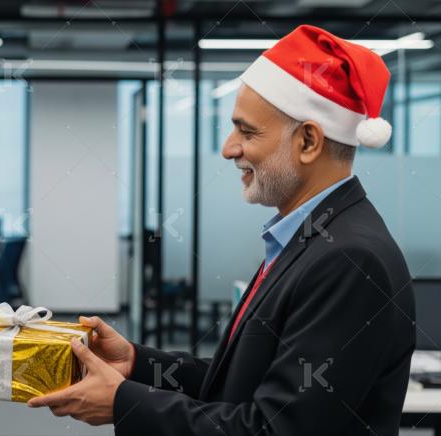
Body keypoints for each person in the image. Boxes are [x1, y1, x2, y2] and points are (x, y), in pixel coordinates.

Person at [28, 24, 416, 436]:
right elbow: (240, 384)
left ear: (308, 142)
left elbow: (273, 429)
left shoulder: (349, 260)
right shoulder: (312, 237)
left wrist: (124, 401)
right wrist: (138, 364)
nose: (229, 148)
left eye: (247, 131)